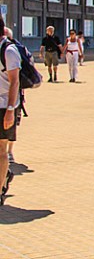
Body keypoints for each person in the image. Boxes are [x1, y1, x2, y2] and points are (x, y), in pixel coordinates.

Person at [1, 18, 21, 205]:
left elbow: (15, 81)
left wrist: (9, 109)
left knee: (1, 149)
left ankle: (0, 188)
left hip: (3, 107)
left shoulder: (8, 51)